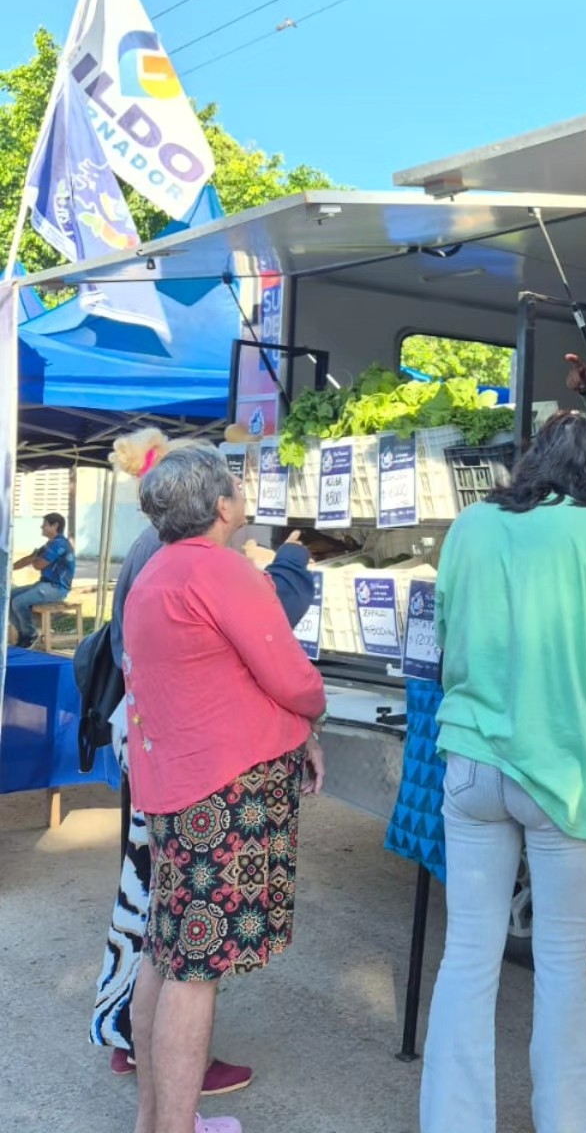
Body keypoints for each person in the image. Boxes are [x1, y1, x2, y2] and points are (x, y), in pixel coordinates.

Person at [420, 412, 586, 1133]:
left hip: (469, 763)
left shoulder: (471, 524)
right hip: (563, 775)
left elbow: (443, 629)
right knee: (563, 967)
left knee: (466, 954)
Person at [92, 431, 319, 1101]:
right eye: (237, 483)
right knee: (196, 969)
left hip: (173, 781)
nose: (244, 491)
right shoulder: (220, 571)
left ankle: (157, 1121)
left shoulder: (157, 568)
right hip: (222, 790)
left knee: (166, 952)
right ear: (222, 505)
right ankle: (177, 1124)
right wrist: (310, 716)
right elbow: (292, 676)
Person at [9, 511, 76, 647]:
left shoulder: (60, 544)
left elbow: (39, 564)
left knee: (19, 602)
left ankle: (30, 633)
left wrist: (34, 559)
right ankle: (23, 633)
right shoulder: (49, 545)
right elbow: (29, 559)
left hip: (57, 588)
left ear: (55, 525)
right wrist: (8, 568)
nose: (41, 527)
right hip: (44, 584)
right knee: (7, 598)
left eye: (44, 525)